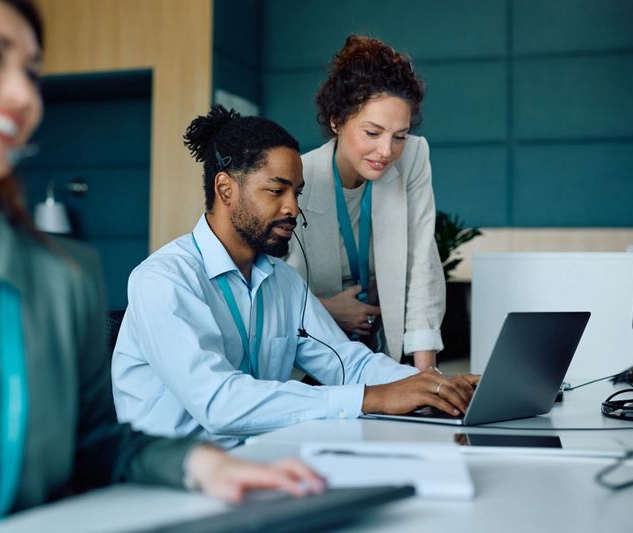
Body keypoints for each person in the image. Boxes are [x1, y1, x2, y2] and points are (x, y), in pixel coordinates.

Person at [0, 1, 324, 530]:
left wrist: (198, 464)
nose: (25, 95)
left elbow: (95, 443)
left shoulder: (63, 278)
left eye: (31, 72)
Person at [112, 105, 478, 446]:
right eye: (276, 190)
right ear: (225, 189)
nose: (292, 208)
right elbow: (218, 402)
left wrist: (437, 387)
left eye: (297, 193)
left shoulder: (283, 283)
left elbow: (347, 363)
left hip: (262, 464)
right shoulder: (163, 280)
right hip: (172, 482)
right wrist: (372, 397)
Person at [285, 35, 445, 370]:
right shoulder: (300, 176)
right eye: (372, 133)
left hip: (382, 349)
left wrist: (426, 374)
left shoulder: (413, 157)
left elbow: (421, 263)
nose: (387, 151)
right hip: (313, 350)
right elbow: (271, 286)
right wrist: (326, 309)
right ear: (336, 121)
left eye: (398, 136)